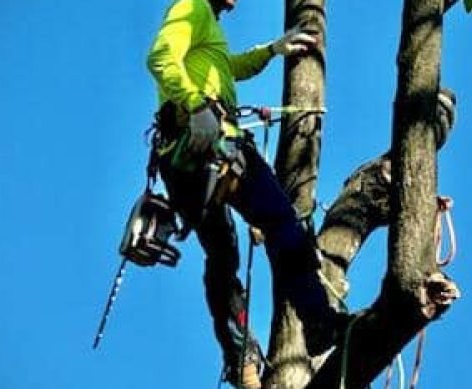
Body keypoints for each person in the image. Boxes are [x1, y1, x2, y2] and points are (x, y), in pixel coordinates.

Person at [145, 0, 342, 387]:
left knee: (223, 256)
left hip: (183, 163)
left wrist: (272, 50)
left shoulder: (207, 30)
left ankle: (240, 358)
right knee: (281, 221)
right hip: (211, 142)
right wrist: (197, 105)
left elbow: (228, 67)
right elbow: (161, 55)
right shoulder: (194, 6)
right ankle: (318, 319)